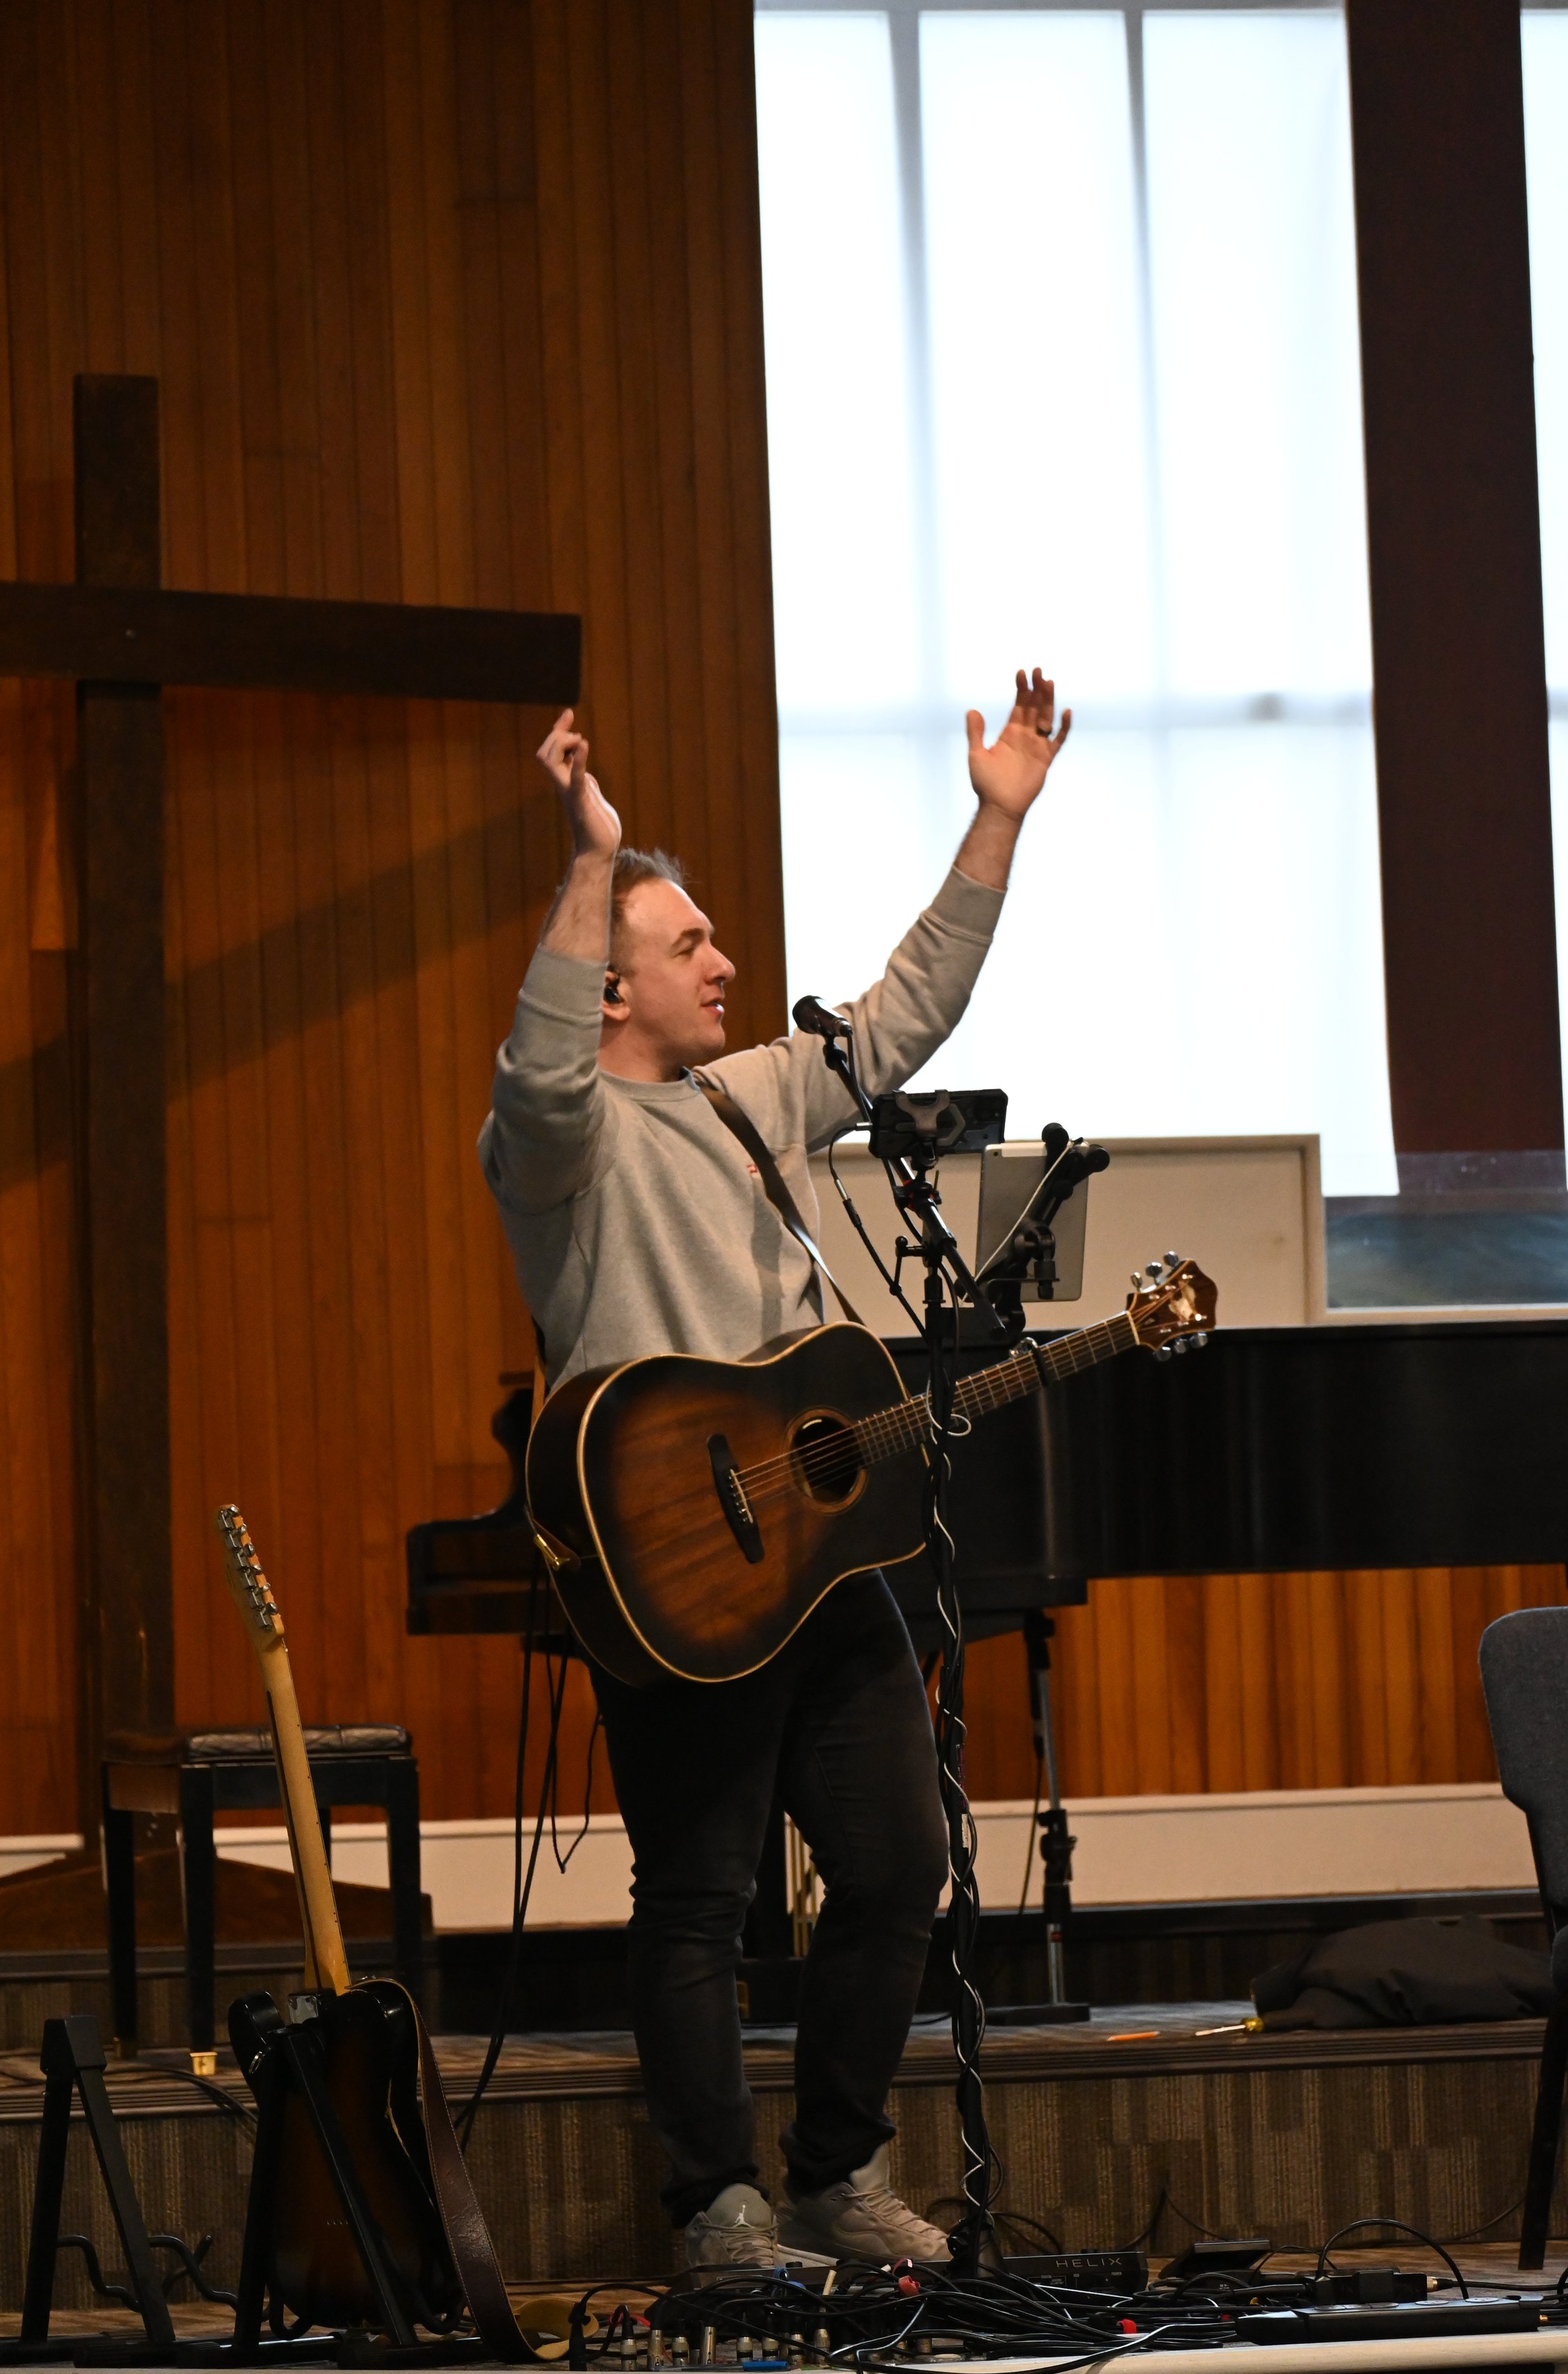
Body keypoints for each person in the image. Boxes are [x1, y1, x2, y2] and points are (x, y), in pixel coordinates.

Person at [478, 670, 1071, 2268]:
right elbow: (534, 1076)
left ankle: (832, 2171)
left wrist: (994, 818)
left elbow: (904, 1012)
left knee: (898, 1859)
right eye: (688, 948)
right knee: (697, 1895)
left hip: (821, 1564)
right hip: (672, 1564)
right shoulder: (559, 1152)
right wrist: (592, 861)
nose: (728, 962)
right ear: (610, 991)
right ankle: (711, 2203)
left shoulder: (751, 1102)